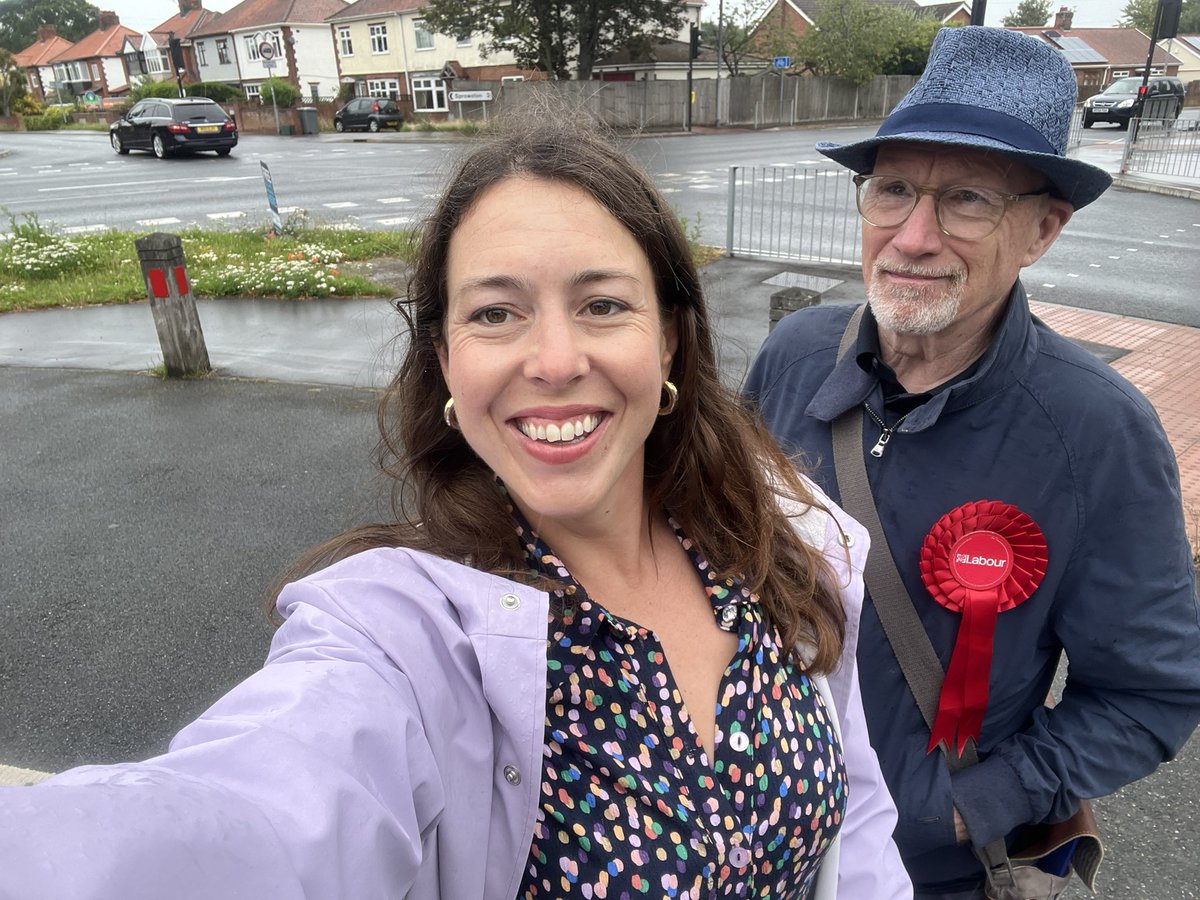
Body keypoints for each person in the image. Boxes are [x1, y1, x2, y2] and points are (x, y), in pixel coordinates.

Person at [0, 119, 912, 900]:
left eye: (602, 304)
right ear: (443, 357)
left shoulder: (782, 538)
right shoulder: (400, 638)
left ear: (670, 338)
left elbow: (858, 813)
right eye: (495, 314)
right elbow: (244, 820)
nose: (554, 361)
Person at [745, 25, 1200, 900]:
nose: (914, 236)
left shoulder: (1098, 433)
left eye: (967, 200)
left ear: (1042, 230)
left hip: (926, 875)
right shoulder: (793, 353)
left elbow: (1150, 695)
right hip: (751, 842)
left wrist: (962, 808)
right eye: (893, 190)